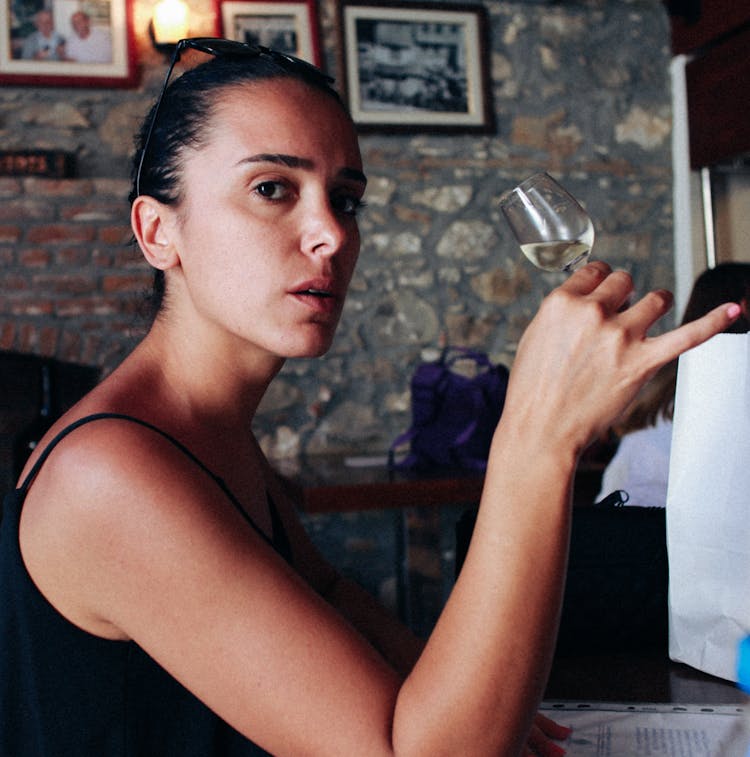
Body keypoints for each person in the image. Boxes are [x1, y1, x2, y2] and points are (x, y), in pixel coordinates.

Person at [0, 38, 740, 756]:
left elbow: (322, 589)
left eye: (346, 200)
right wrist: (537, 437)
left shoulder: (205, 428)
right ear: (158, 231)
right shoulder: (112, 473)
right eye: (271, 189)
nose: (329, 233)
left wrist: (470, 693)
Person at [597, 262, 750, 507]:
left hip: (616, 520)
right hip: (664, 530)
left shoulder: (664, 377)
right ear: (742, 305)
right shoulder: (731, 376)